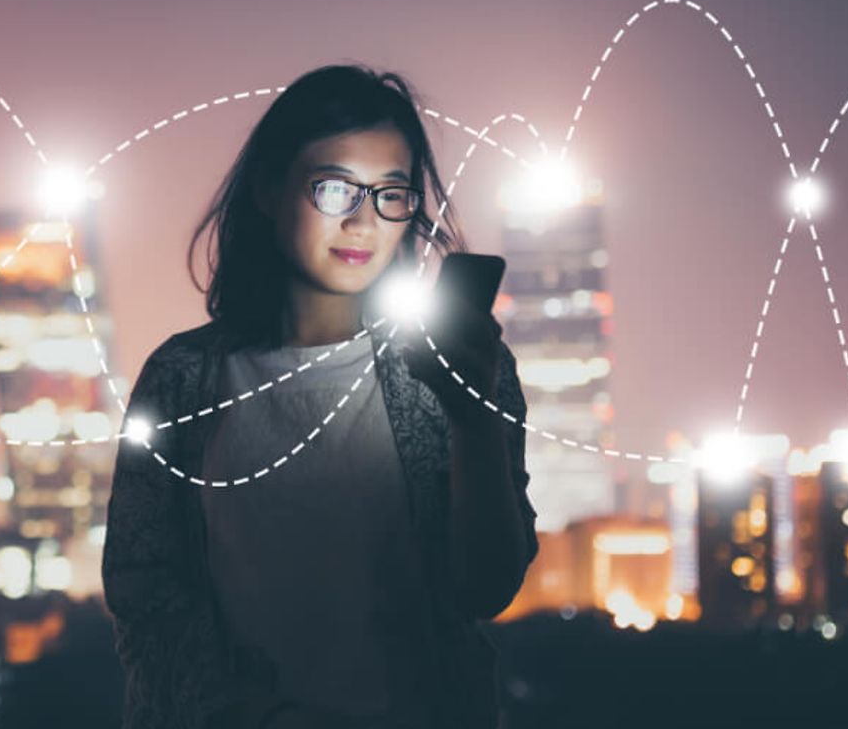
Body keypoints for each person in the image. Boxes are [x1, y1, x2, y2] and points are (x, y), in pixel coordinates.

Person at [101, 63, 539, 729]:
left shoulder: (458, 368)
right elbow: (142, 590)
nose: (363, 221)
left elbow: (486, 589)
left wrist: (471, 419)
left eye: (391, 193)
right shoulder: (184, 378)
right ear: (270, 190)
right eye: (335, 189)